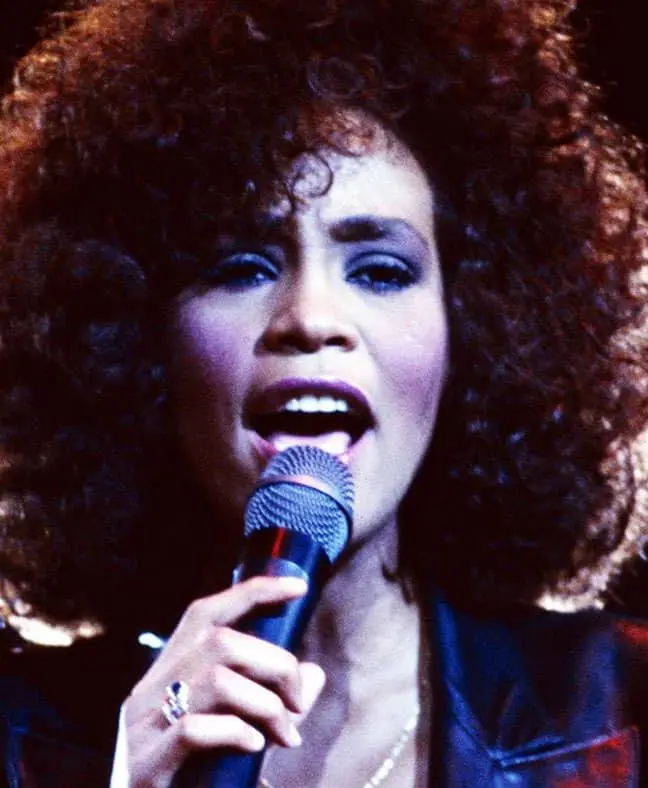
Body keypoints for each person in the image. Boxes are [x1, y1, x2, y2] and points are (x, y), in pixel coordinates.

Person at [0, 0, 647, 785]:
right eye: (241, 267)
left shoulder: (623, 711)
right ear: (130, 333)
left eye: (381, 271)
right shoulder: (19, 739)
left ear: (477, 331)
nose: (310, 318)